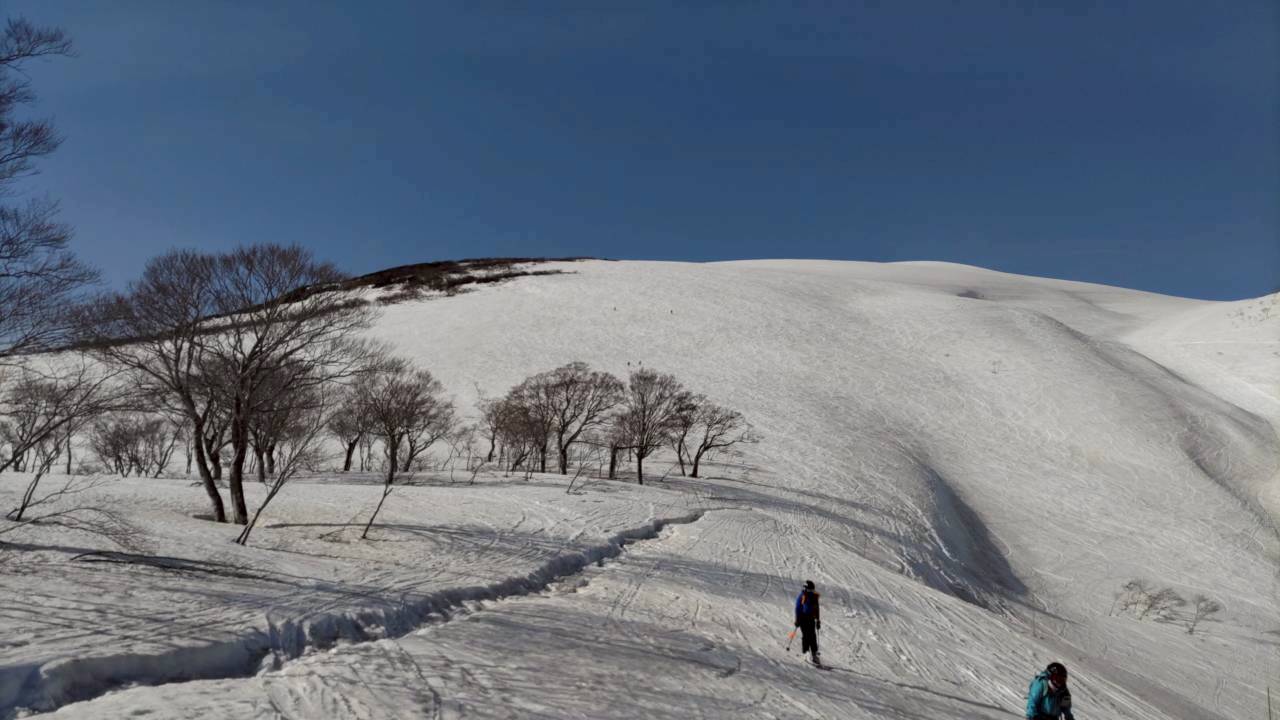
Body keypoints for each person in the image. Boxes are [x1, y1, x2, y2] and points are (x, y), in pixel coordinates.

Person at [794, 580, 821, 665]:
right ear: (805, 589)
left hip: (811, 618)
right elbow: (798, 608)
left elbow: (817, 609)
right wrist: (797, 619)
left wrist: (818, 620)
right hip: (803, 618)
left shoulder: (814, 597)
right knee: (806, 635)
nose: (811, 592)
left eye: (812, 590)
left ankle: (814, 653)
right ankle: (806, 652)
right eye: (809, 590)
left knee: (812, 635)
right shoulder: (802, 596)